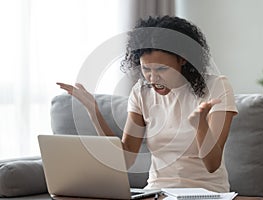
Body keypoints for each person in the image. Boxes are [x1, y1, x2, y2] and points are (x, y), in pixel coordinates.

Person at [57, 15, 238, 192]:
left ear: (183, 59)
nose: (152, 78)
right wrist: (94, 111)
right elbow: (125, 159)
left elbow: (212, 164)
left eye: (161, 69)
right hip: (156, 191)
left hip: (206, 192)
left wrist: (201, 126)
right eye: (146, 69)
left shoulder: (216, 86)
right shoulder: (141, 92)